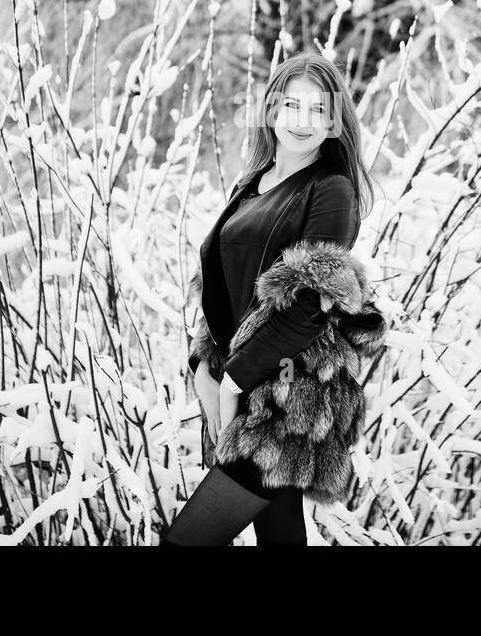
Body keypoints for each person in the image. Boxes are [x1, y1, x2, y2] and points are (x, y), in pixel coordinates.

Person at [160, 52, 384, 546]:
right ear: (271, 110)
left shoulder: (331, 190)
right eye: (291, 105)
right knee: (280, 538)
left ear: (333, 122)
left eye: (317, 110)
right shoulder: (252, 184)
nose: (302, 121)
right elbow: (221, 286)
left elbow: (308, 307)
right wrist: (204, 363)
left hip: (288, 396)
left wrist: (234, 380)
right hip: (241, 384)